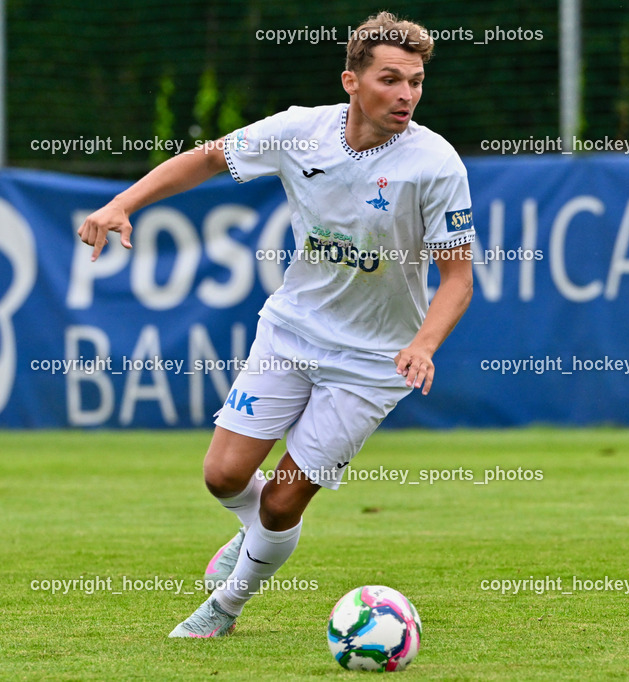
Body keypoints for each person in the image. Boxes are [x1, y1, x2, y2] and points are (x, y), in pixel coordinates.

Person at [77, 11, 475, 637]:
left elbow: (458, 278)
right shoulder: (300, 131)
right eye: (390, 79)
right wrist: (122, 203)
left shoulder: (435, 163)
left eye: (416, 82)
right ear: (351, 80)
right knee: (223, 476)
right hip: (291, 333)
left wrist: (424, 343)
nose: (405, 95)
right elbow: (209, 159)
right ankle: (252, 530)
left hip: (373, 362)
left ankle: (225, 608)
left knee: (286, 497)